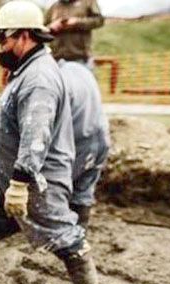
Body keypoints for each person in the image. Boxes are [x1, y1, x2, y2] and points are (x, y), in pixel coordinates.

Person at [0, 0, 98, 284]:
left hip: (37, 182)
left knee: (61, 234)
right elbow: (22, 114)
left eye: (4, 39)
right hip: (7, 179)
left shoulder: (39, 78)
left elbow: (36, 133)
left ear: (24, 36)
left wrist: (20, 184)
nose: (0, 47)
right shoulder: (26, 68)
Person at [59, 59, 110, 228]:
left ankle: (65, 239)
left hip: (77, 143)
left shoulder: (55, 77)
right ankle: (79, 235)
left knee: (52, 190)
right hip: (100, 141)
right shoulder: (82, 72)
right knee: (83, 190)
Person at [45, 0, 104, 66]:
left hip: (80, 59)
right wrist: (51, 26)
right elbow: (43, 29)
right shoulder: (54, 6)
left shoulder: (88, 2)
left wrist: (77, 22)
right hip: (56, 59)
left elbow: (99, 20)